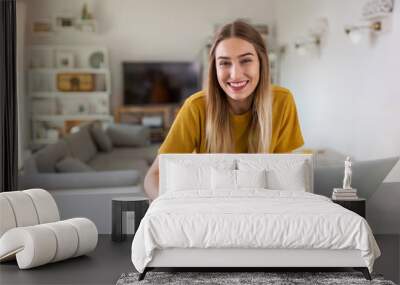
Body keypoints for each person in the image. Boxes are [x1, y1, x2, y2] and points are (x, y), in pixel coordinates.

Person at [144, 20, 304, 200]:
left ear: (261, 62)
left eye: (246, 60)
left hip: (261, 210)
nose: (235, 74)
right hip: (211, 210)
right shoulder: (195, 108)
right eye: (225, 63)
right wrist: (176, 210)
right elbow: (153, 177)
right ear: (215, 68)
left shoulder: (282, 101)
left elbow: (284, 178)